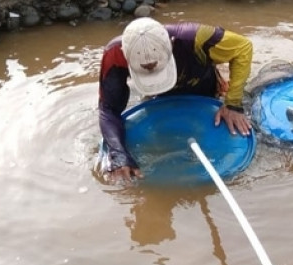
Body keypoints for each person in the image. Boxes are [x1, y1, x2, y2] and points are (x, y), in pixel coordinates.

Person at [98, 17, 253, 183]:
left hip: (201, 86)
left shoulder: (197, 38)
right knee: (160, 143)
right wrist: (119, 154)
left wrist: (233, 104)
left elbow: (243, 48)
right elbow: (108, 109)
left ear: (171, 44)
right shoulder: (115, 54)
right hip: (157, 101)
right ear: (126, 56)